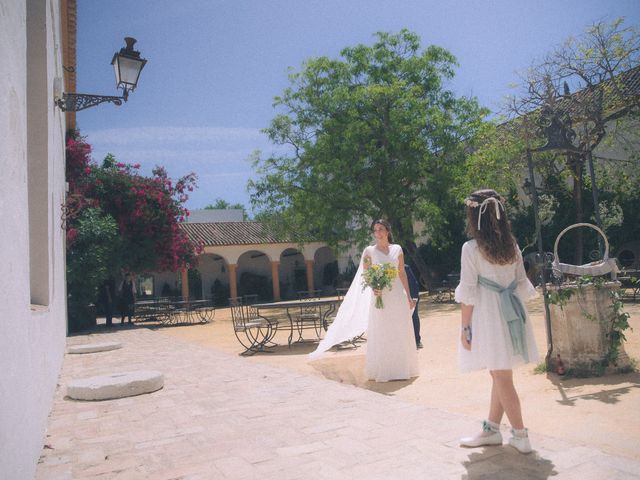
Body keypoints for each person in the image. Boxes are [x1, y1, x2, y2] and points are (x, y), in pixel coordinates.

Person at [455, 189, 539, 454]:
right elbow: (522, 282)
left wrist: (465, 327)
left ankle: (520, 434)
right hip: (512, 312)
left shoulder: (470, 248)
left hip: (489, 316)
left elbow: (468, 292)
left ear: (474, 216)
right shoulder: (511, 245)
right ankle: (491, 429)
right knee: (499, 372)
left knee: (501, 375)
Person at [310, 219, 419, 382]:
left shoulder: (397, 249)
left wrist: (409, 296)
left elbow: (401, 272)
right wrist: (374, 286)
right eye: (375, 230)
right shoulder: (369, 251)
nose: (378, 233)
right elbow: (366, 274)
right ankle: (385, 370)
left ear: (388, 231)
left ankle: (402, 369)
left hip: (397, 295)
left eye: (381, 229)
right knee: (383, 331)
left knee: (399, 329)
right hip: (379, 296)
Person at [404, 264, 423, 349]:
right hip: (397, 300)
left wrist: (414, 299)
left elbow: (413, 283)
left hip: (411, 298)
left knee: (414, 318)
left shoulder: (406, 267)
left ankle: (417, 341)